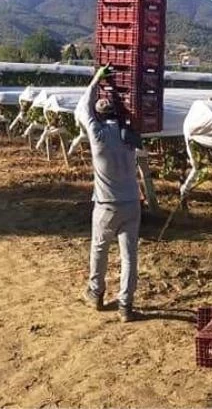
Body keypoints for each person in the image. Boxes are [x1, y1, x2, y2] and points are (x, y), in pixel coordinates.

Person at [75, 64, 141, 323]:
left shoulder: (97, 134)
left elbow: (83, 106)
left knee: (100, 249)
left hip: (106, 205)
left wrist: (97, 79)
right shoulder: (130, 136)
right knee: (129, 257)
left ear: (99, 116)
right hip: (132, 203)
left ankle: (97, 292)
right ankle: (126, 305)